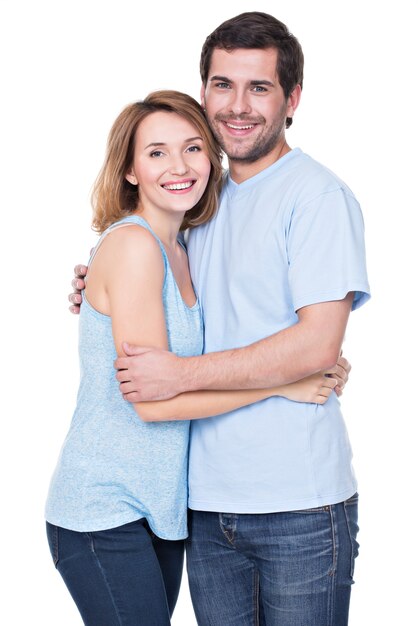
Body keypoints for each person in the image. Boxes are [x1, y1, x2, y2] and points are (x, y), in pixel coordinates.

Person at [110, 13, 370, 626]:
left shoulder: (317, 197)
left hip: (300, 508)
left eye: (259, 88)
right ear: (205, 92)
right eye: (223, 85)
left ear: (291, 100)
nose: (238, 106)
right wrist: (95, 280)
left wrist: (180, 373)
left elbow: (317, 343)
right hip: (204, 506)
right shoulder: (200, 198)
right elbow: (151, 269)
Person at [48, 90, 341, 626]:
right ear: (131, 170)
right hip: (102, 509)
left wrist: (311, 351)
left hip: (159, 509)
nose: (179, 166)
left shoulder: (185, 246)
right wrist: (280, 384)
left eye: (193, 148)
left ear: (212, 156)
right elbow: (154, 403)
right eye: (156, 153)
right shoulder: (136, 247)